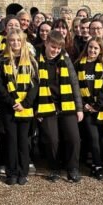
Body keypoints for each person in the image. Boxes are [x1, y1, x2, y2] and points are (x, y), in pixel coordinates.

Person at [38, 31, 84, 183]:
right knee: (51, 139)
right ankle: (54, 167)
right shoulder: (36, 58)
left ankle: (73, 168)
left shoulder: (65, 59)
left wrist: (79, 108)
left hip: (67, 103)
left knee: (74, 137)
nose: (55, 51)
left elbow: (74, 82)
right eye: (53, 47)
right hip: (46, 104)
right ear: (46, 43)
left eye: (58, 48)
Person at [0, 29, 38, 186]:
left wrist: (25, 103)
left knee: (23, 141)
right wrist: (11, 101)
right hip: (9, 107)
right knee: (11, 140)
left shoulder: (31, 60)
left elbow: (35, 86)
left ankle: (23, 172)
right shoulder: (1, 60)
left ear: (23, 42)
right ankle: (11, 172)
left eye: (18, 40)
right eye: (12, 40)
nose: (15, 43)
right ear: (8, 42)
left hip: (25, 107)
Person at [76, 37, 103, 180]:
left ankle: (96, 165)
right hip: (85, 107)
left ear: (100, 50)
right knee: (93, 137)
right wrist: (84, 105)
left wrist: (97, 106)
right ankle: (98, 165)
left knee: (100, 138)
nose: (92, 50)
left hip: (99, 108)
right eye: (90, 47)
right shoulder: (79, 64)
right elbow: (74, 87)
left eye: (96, 48)